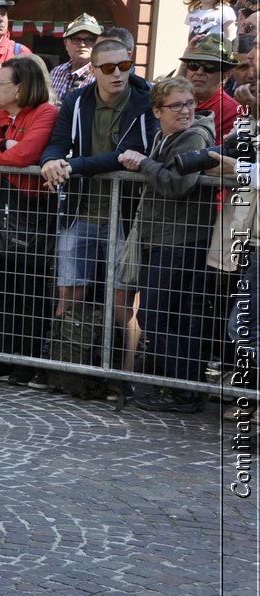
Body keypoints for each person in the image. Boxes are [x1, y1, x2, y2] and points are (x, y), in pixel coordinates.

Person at [38, 37, 155, 390]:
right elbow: (57, 140)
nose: (117, 73)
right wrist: (50, 162)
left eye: (123, 65)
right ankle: (63, 368)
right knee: (68, 293)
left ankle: (124, 375)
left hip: (126, 216)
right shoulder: (77, 100)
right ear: (95, 70)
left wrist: (71, 165)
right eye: (108, 68)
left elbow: (129, 154)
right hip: (81, 212)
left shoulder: (145, 99)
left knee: (123, 300)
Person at [118, 76, 219, 412]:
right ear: (158, 111)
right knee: (170, 317)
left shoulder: (193, 135)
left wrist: (145, 163)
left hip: (182, 239)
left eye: (189, 103)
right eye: (176, 105)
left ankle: (187, 390)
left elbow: (178, 185)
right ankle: (179, 387)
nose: (185, 110)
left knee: (155, 315)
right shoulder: (167, 135)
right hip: (167, 237)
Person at [0, 55, 59, 384]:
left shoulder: (46, 113)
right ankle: (3, 356)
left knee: (28, 291)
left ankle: (25, 360)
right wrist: (2, 143)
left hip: (28, 217)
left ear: (20, 89)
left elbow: (26, 155)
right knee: (1, 289)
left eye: (1, 84)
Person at [178, 36, 242, 140]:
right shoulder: (176, 102)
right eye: (193, 65)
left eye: (210, 67)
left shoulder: (233, 112)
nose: (199, 72)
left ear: (225, 76)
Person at [50, 14, 101, 102]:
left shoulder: (100, 75)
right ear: (66, 44)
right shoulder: (56, 72)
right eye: (76, 39)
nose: (82, 44)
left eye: (89, 40)